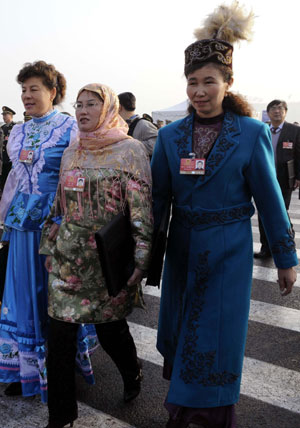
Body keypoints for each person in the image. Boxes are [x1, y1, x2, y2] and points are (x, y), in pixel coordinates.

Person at [150, 4, 298, 428]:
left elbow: (270, 199)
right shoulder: (169, 135)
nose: (199, 91)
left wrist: (287, 260)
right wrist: (143, 254)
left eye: (209, 81)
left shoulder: (250, 133)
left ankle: (209, 415)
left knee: (219, 336)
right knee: (181, 330)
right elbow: (158, 201)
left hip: (230, 251)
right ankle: (183, 408)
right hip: (182, 247)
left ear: (228, 82)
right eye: (192, 82)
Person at [39, 83, 153, 428]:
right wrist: (49, 244)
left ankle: (132, 372)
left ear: (108, 109)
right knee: (58, 341)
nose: (83, 110)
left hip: (106, 261)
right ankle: (61, 417)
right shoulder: (73, 150)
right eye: (78, 104)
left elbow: (141, 210)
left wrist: (141, 258)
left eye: (91, 104)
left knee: (111, 331)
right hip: (68, 259)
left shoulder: (130, 150)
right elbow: (58, 204)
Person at [0, 61, 96, 401]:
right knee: (22, 299)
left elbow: (78, 181)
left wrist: (66, 223)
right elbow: (14, 179)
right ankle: (26, 370)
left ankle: (57, 366)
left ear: (53, 92)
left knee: (53, 298)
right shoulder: (18, 131)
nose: (27, 95)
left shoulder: (69, 128)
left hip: (55, 227)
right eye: (23, 89)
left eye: (34, 88)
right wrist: (3, 219)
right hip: (21, 228)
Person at [254, 99, 300, 258]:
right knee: (262, 213)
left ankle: (286, 244)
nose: (277, 111)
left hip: (284, 178)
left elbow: (299, 155)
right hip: (263, 178)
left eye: (280, 109)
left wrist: (298, 177)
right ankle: (266, 248)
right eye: (273, 109)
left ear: (285, 112)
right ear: (268, 112)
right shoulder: (263, 129)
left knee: (281, 213)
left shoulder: (294, 130)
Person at [118, 91, 158, 157]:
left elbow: (156, 145)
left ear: (119, 107)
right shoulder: (122, 125)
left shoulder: (144, 124)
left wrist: (129, 145)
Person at [0, 106, 16, 195]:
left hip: (10, 159)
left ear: (11, 115)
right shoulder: (2, 128)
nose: (4, 117)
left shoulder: (15, 127)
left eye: (6, 115)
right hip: (2, 158)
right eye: (3, 115)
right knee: (2, 180)